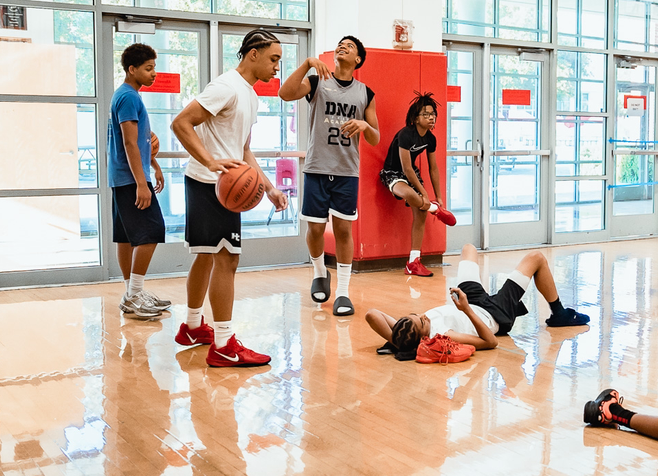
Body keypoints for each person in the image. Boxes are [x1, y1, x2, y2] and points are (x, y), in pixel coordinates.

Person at [170, 28, 289, 368]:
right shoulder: (226, 87)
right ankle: (223, 345)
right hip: (212, 184)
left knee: (208, 256)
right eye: (274, 59)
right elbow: (181, 123)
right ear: (253, 54)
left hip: (217, 183)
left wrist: (268, 187)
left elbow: (244, 149)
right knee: (227, 258)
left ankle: (193, 327)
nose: (277, 67)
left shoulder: (250, 95)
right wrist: (210, 161)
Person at [279, 35, 379, 317]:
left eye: (349, 46)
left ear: (358, 59)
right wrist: (308, 63)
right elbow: (285, 93)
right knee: (315, 230)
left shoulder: (365, 93)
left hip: (347, 171)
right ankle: (320, 272)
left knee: (344, 230)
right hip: (316, 168)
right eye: (340, 44)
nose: (342, 46)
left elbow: (375, 137)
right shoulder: (317, 82)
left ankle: (343, 292)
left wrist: (364, 125)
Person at [366, 241, 589, 356]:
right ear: (424, 337)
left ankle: (558, 312)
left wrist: (398, 343)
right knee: (536, 258)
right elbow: (490, 342)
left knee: (468, 249)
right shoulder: (445, 335)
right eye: (422, 321)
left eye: (417, 316)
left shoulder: (411, 330)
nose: (423, 316)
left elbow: (372, 314)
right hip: (492, 313)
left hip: (470, 300)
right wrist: (466, 310)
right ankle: (559, 313)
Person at [107, 43, 171, 319]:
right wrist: (142, 184)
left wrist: (154, 165)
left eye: (154, 67)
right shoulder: (129, 98)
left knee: (125, 237)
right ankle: (134, 294)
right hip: (131, 179)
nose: (154, 73)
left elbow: (142, 142)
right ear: (131, 69)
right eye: (148, 68)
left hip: (123, 177)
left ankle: (130, 294)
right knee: (153, 231)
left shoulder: (124, 95)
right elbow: (129, 143)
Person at [378, 91, 457, 275]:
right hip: (393, 172)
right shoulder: (406, 134)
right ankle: (434, 210)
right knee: (410, 195)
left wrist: (438, 196)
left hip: (412, 174)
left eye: (433, 114)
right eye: (426, 114)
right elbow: (405, 168)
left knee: (420, 214)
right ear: (415, 118)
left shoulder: (430, 138)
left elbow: (433, 168)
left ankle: (413, 262)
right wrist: (425, 195)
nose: (431, 118)